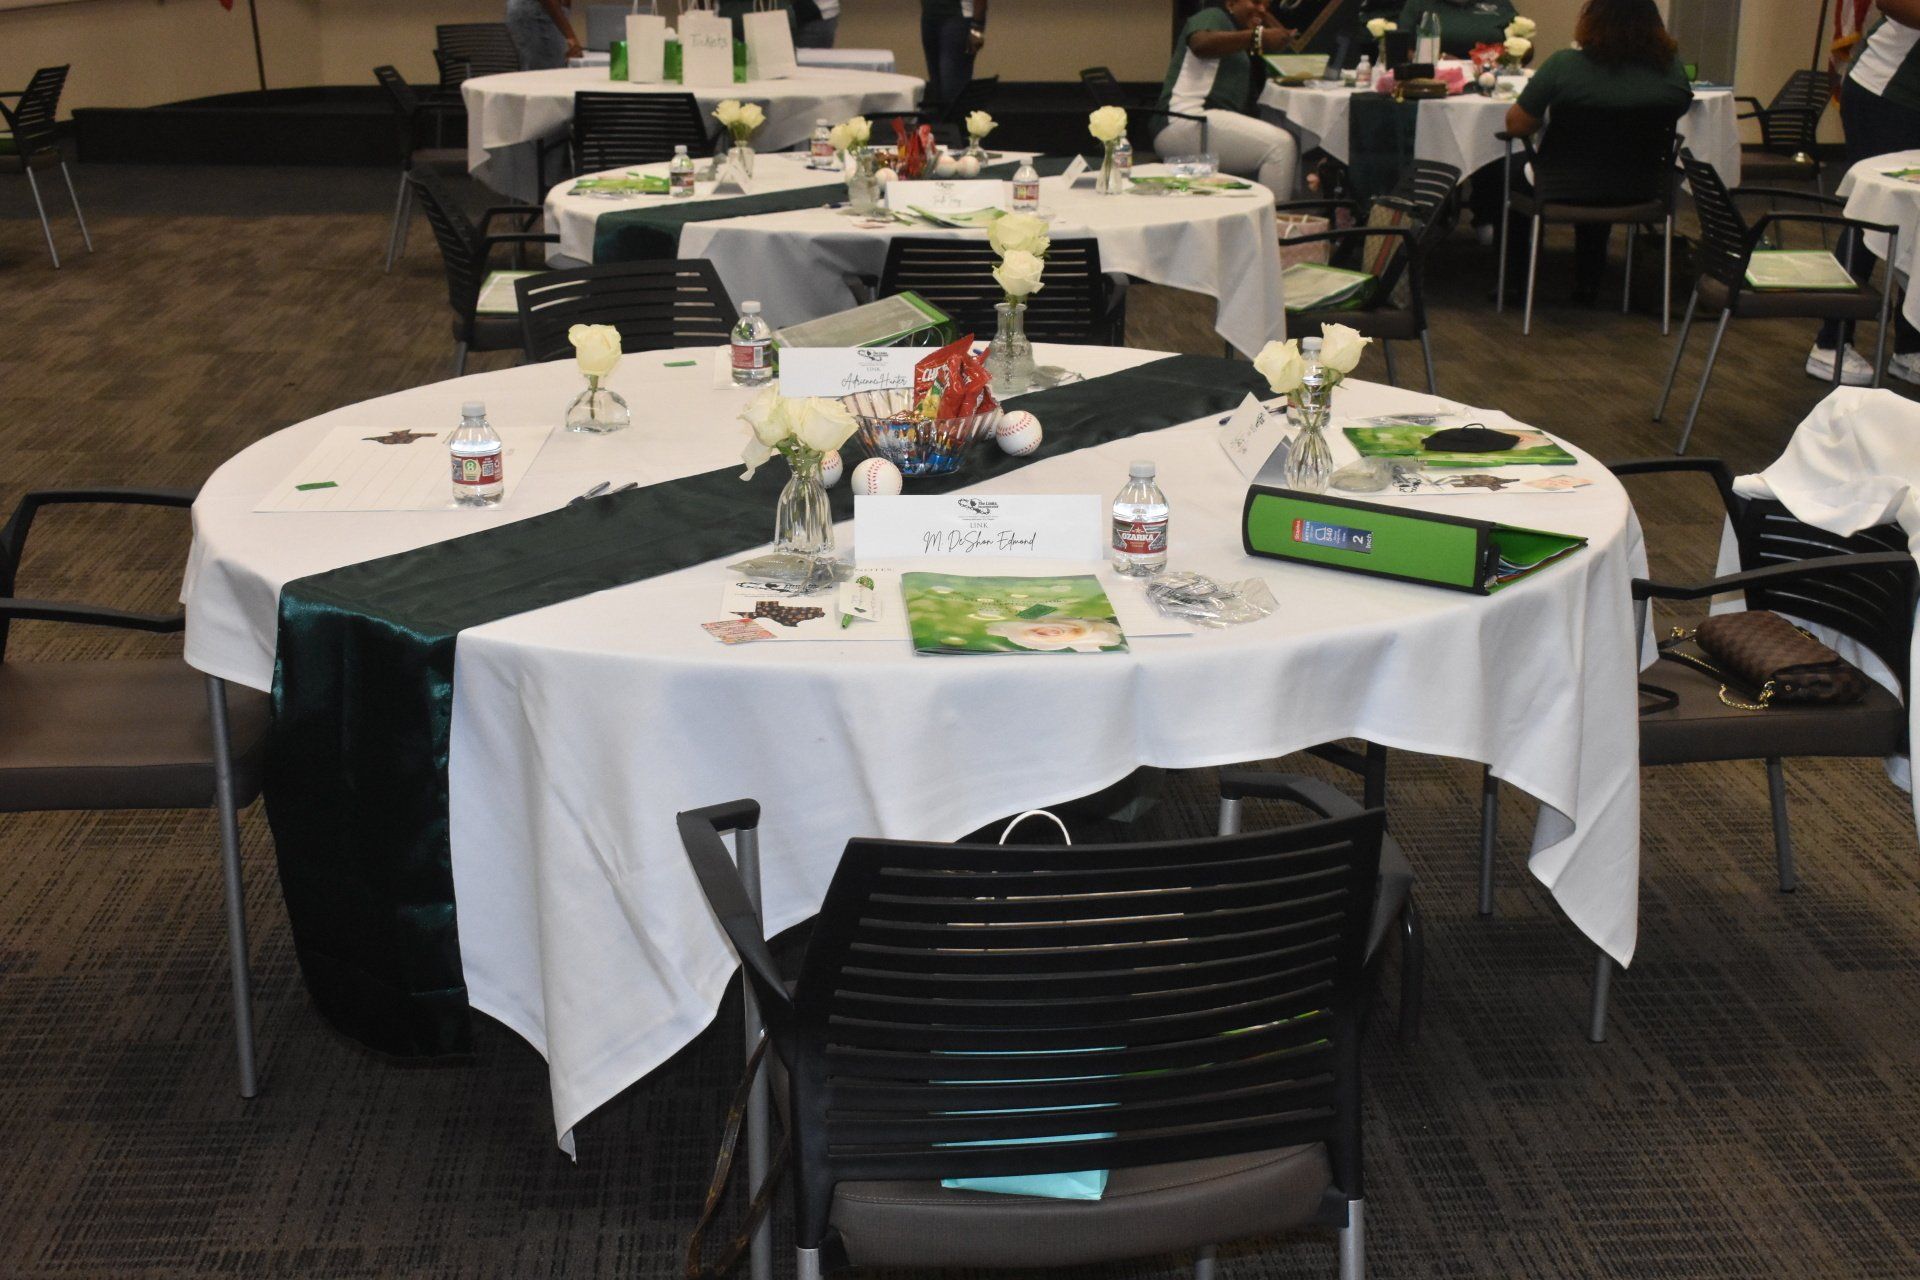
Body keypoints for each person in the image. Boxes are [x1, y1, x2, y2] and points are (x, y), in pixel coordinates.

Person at [1501, 0, 1689, 306]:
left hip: (1564, 182)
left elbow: (1516, 124)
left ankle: (1514, 284)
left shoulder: (1564, 65)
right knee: (1606, 168)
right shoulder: (1671, 72)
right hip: (1642, 186)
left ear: (1591, 22)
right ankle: (1589, 282)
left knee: (1509, 171)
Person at [1810, 0, 1920, 385]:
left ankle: (1910, 347)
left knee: (1916, 218)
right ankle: (1832, 341)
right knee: (1874, 211)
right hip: (1886, 94)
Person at [1153, 0, 1301, 203]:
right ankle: (1273, 230)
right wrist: (1256, 36)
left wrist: (1263, 16)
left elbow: (1290, 56)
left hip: (1206, 123)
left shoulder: (1242, 34)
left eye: (1266, 4)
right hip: (1185, 119)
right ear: (1230, 2)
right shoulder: (1215, 16)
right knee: (1280, 147)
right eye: (1256, 1)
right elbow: (1200, 43)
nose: (1262, 8)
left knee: (1289, 141)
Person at [922, 0, 988, 109]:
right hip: (930, 17)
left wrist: (977, 28)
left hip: (958, 18)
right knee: (937, 90)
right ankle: (943, 123)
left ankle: (957, 123)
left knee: (952, 88)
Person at [1396, 0, 1518, 58]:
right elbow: (1401, 50)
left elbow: (1522, 46)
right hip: (1435, 81)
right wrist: (1440, 59)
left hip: (1492, 80)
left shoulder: (1500, 3)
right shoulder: (1419, 4)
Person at [505, 0, 580, 70]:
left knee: (550, 72)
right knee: (548, 75)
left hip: (543, 12)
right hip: (540, 13)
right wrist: (571, 37)